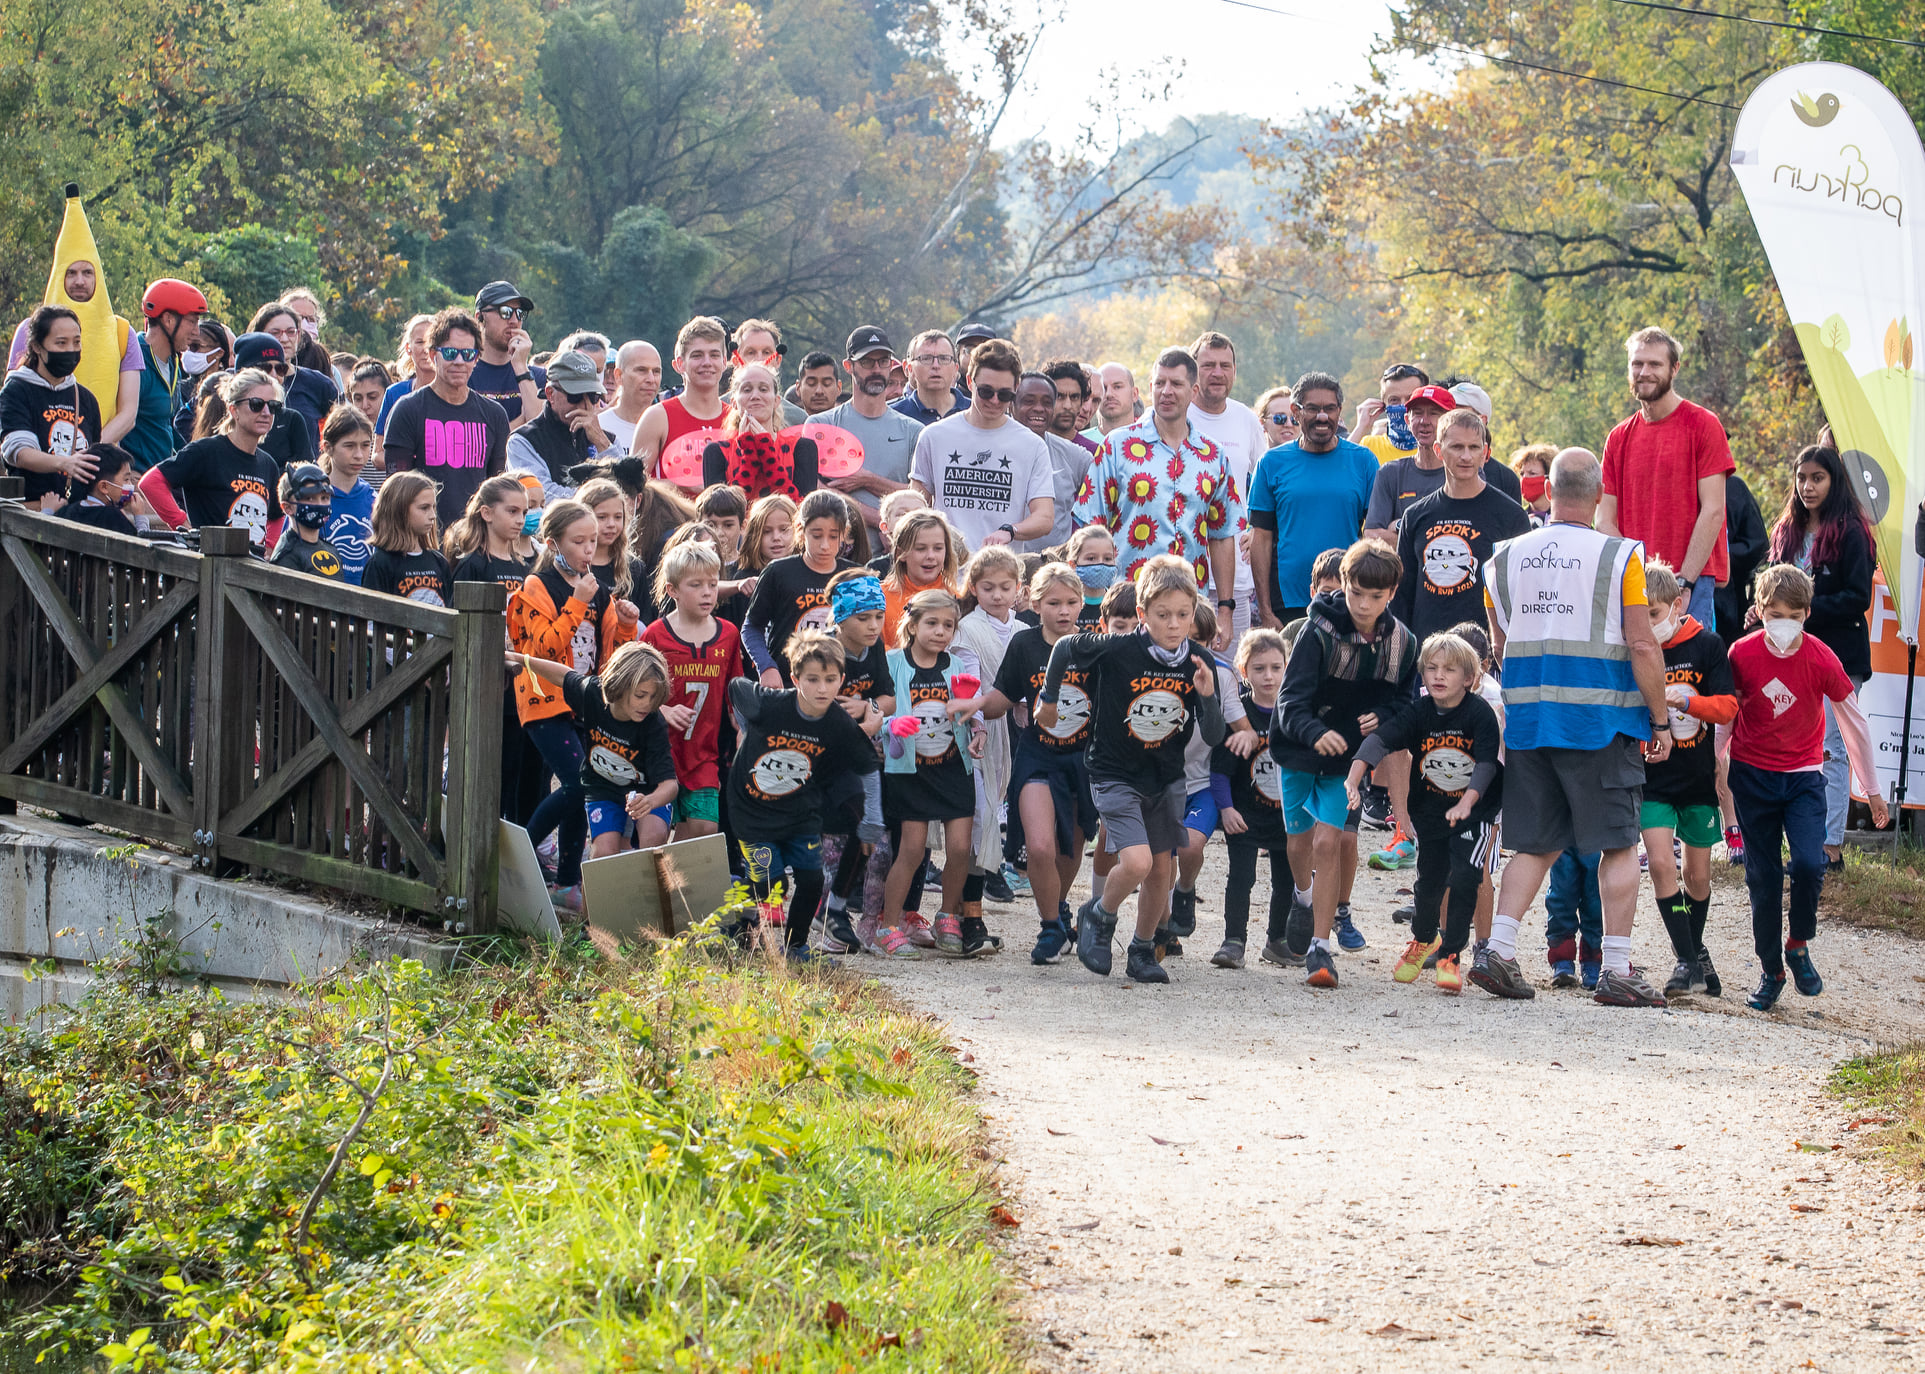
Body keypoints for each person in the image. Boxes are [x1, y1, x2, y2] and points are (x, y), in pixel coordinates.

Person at [1478, 447, 1672, 1007]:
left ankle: (1499, 952)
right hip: (1600, 723)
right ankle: (1615, 968)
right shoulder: (1620, 557)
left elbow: (1499, 643)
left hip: (1531, 720)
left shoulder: (1505, 557)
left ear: (1548, 490)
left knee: (1536, 843)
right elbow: (1641, 643)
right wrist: (1659, 720)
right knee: (1617, 844)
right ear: (1598, 493)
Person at [1039, 555, 1225, 984]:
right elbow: (1066, 646)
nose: (1174, 625)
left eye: (1183, 614)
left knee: (1163, 869)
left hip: (1164, 777)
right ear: (1142, 614)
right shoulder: (1120, 646)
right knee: (1138, 862)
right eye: (1163, 615)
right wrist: (1049, 699)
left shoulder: (1198, 661)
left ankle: (1143, 949)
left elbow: (1213, 735)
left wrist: (1209, 696)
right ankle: (1098, 915)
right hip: (1113, 772)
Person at [1727, 564, 1888, 1009]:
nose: (1783, 623)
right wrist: (1714, 772)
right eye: (1774, 613)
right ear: (1759, 610)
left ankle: (1797, 944)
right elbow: (1727, 715)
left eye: (1792, 615)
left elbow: (1852, 722)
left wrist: (1871, 788)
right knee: (1762, 877)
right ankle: (1770, 970)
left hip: (1802, 778)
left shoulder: (1820, 657)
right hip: (1752, 775)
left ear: (1807, 614)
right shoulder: (1740, 654)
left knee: (1809, 864)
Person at [1270, 539, 1417, 989]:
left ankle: (1320, 947)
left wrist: (1385, 717)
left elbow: (1405, 704)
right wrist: (1316, 731)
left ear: (1392, 592)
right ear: (1345, 585)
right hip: (1297, 749)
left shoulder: (1402, 643)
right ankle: (1303, 895)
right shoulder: (1315, 633)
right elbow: (1290, 701)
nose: (1364, 605)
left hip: (1348, 760)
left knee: (1328, 842)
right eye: (1356, 593)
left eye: (1376, 596)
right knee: (1299, 844)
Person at [1345, 631, 1501, 994]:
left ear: (1469, 678)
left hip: (1473, 814)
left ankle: (1451, 956)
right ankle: (1423, 939)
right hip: (1431, 812)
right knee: (1429, 883)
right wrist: (1355, 776)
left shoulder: (1480, 714)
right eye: (1431, 668)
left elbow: (1487, 766)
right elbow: (1381, 740)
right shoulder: (1419, 712)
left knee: (1464, 877)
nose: (1438, 676)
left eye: (1449, 669)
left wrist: (1468, 802)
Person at [507, 498, 641, 907]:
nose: (588, 550)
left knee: (582, 789)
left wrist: (628, 623)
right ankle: (519, 858)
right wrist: (578, 602)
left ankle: (566, 883)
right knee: (582, 782)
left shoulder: (597, 589)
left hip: (585, 701)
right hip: (544, 702)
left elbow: (610, 657)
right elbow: (542, 648)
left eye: (592, 541)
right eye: (578, 541)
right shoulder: (534, 588)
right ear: (552, 543)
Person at [727, 631, 882, 959]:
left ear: (842, 680)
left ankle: (795, 946)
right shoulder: (771, 704)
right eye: (812, 679)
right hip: (752, 809)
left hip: (800, 812)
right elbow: (736, 687)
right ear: (795, 678)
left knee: (811, 880)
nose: (822, 689)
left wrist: (873, 817)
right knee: (770, 880)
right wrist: (746, 722)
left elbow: (868, 764)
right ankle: (739, 921)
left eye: (829, 680)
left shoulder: (839, 723)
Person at [1759, 444, 1876, 870]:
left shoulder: (1850, 530)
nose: (1807, 486)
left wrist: (1803, 612)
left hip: (1837, 653)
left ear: (1834, 482)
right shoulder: (1787, 528)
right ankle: (1798, 840)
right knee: (1792, 743)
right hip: (1786, 653)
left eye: (1817, 478)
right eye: (1802, 477)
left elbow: (1858, 596)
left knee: (1831, 748)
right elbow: (1770, 578)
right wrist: (1766, 609)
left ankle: (1830, 847)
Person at [1070, 348, 1240, 635]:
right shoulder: (1117, 446)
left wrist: (1225, 608)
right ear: (1149, 388)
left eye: (1176, 384)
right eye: (1160, 383)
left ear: (1194, 391)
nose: (1166, 391)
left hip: (1189, 607)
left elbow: (1222, 535)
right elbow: (1090, 528)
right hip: (1126, 603)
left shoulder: (1212, 455)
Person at [973, 562, 1094, 962]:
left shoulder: (1094, 646)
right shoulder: (1024, 646)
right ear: (1034, 603)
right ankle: (1049, 927)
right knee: (1040, 847)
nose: (1063, 611)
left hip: (1082, 762)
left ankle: (1059, 909)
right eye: (1053, 602)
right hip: (1037, 755)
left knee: (1069, 850)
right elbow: (1001, 698)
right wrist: (970, 709)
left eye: (1072, 602)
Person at [1628, 560, 1737, 997]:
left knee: (1697, 876)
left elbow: (1728, 707)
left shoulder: (1708, 646)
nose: (1647, 624)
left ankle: (1695, 956)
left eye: (1653, 614)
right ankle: (1686, 960)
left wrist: (1687, 704)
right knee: (1659, 865)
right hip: (1653, 780)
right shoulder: (1634, 649)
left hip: (1697, 781)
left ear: (1676, 605)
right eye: (1640, 615)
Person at [871, 589, 987, 958]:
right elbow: (876, 713)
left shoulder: (956, 666)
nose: (941, 632)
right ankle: (888, 925)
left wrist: (978, 727)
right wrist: (891, 722)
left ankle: (948, 916)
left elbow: (975, 708)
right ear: (913, 624)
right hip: (910, 771)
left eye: (949, 625)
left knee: (958, 849)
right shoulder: (892, 663)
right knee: (912, 849)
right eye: (932, 623)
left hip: (954, 768)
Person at [1600, 326, 1735, 629]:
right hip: (1634, 584)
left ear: (1675, 369)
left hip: (1690, 582)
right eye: (1637, 364)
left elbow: (1713, 511)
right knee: (1633, 675)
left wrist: (1682, 583)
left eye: (1654, 364)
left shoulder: (1703, 425)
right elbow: (1604, 520)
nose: (1644, 372)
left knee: (1685, 675)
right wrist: (1639, 574)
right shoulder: (1618, 437)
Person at [516, 639, 678, 861]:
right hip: (603, 788)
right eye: (641, 695)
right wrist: (521, 659)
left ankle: (646, 892)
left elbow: (670, 785)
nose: (647, 705)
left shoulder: (653, 721)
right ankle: (594, 893)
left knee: (653, 840)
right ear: (619, 686)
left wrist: (650, 801)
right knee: (603, 854)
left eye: (653, 697)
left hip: (647, 791)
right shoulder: (593, 694)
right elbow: (563, 676)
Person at [1248, 372, 1377, 629]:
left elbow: (1373, 536)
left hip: (1349, 597)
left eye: (1330, 409)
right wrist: (1265, 609)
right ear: (1296, 411)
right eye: (1313, 409)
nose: (1322, 416)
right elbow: (1259, 538)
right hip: (1287, 602)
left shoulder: (1363, 461)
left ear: (1339, 411)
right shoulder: (1271, 464)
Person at [810, 570, 893, 955]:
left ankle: (864, 923)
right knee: (833, 846)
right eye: (863, 618)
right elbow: (811, 710)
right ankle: (829, 921)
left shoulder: (873, 647)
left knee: (877, 844)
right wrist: (861, 727)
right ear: (840, 618)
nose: (874, 626)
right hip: (826, 765)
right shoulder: (822, 651)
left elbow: (888, 700)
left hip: (863, 760)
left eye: (878, 615)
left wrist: (867, 708)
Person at [908, 339, 1053, 553]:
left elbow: (1045, 517)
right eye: (986, 391)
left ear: (1016, 388)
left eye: (1004, 395)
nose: (994, 401)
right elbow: (916, 507)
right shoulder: (934, 436)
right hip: (944, 571)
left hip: (999, 575)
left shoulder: (1031, 445)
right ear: (969, 381)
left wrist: (1010, 530)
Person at [641, 540, 743, 842]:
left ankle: (682, 886)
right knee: (653, 836)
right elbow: (633, 691)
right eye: (696, 585)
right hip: (659, 753)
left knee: (703, 830)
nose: (707, 592)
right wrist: (664, 709)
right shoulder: (655, 635)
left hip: (703, 754)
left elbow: (734, 691)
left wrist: (742, 726)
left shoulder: (728, 633)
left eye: (713, 584)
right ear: (672, 590)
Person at [1169, 601, 1251, 954]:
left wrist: (1247, 736)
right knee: (1158, 861)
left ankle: (1185, 889)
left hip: (1201, 781)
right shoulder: (1156, 670)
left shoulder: (1221, 675)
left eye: (1199, 642)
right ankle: (1162, 933)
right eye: (1184, 643)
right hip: (1161, 781)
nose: (1192, 653)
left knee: (1190, 847)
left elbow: (1242, 725)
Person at [1207, 629, 1292, 968]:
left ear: (1287, 667)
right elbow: (1220, 770)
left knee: (1286, 878)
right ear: (1243, 671)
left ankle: (1277, 939)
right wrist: (1225, 809)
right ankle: (1234, 941)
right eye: (1259, 669)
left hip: (1287, 817)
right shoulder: (1237, 714)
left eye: (1275, 667)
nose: (1268, 676)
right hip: (1244, 813)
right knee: (1241, 877)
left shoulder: (1294, 712)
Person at [381, 308, 511, 530]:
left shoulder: (494, 414)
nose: (459, 361)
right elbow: (397, 491)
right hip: (422, 539)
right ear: (433, 355)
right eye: (450, 353)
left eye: (468, 354)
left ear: (476, 359)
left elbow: (498, 490)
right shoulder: (408, 409)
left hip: (475, 540)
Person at [953, 545, 1027, 929]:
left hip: (1018, 730)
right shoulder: (967, 630)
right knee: (981, 819)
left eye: (1004, 586)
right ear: (974, 589)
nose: (996, 595)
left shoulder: (1023, 630)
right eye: (987, 587)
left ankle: (994, 878)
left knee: (1002, 811)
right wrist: (979, 722)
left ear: (1018, 587)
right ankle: (970, 910)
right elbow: (967, 683)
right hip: (978, 729)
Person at [1182, 331, 1267, 649]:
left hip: (1235, 574)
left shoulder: (1245, 419)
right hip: (1185, 567)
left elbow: (1265, 483)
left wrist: (1258, 527)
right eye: (1208, 365)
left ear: (1235, 370)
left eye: (1225, 365)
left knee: (1231, 668)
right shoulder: (1180, 415)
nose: (1217, 373)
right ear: (1193, 371)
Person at [138, 368, 284, 553]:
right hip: (210, 565)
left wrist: (269, 547)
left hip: (252, 570)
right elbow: (151, 482)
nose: (266, 412)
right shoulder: (206, 451)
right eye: (256, 404)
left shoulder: (268, 464)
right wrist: (183, 525)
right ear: (234, 410)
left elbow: (276, 515)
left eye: (273, 406)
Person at [1363, 384, 1523, 544]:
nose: (1424, 421)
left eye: (1434, 414)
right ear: (1407, 420)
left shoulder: (1465, 470)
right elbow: (1371, 535)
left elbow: (1473, 533)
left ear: (1450, 420)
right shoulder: (1390, 473)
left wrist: (1402, 528)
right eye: (1417, 413)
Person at [813, 326, 922, 531]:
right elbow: (816, 491)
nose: (876, 369)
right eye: (867, 362)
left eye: (883, 362)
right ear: (848, 366)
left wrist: (866, 479)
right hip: (839, 554)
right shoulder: (821, 425)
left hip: (896, 554)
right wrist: (880, 522)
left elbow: (920, 495)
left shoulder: (914, 431)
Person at [743, 488, 854, 686]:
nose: (825, 545)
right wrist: (766, 666)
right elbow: (752, 626)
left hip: (841, 687)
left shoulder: (854, 576)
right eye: (817, 536)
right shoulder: (778, 572)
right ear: (800, 531)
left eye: (833, 536)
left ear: (844, 533)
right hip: (788, 686)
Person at [1, 303, 102, 509]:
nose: (71, 351)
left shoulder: (86, 398)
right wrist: (64, 463)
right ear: (37, 347)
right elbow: (19, 453)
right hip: (32, 511)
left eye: (76, 342)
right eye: (61, 343)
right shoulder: (17, 391)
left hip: (77, 512)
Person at [504, 349, 615, 502]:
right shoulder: (523, 441)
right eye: (574, 396)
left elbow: (629, 488)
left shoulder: (607, 439)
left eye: (592, 396)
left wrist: (603, 444)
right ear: (550, 394)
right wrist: (600, 499)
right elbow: (541, 495)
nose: (585, 404)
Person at [121, 279, 208, 472]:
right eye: (192, 322)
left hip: (160, 475)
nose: (197, 331)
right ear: (168, 320)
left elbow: (166, 426)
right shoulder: (135, 360)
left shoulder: (172, 362)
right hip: (136, 479)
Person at [699, 362, 818, 502]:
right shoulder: (716, 452)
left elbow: (801, 509)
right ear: (734, 402)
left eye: (763, 389)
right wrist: (748, 454)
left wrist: (766, 449)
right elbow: (722, 513)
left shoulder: (802, 448)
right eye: (747, 390)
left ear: (776, 401)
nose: (755, 396)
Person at [633, 316, 730, 472]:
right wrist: (683, 484)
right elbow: (634, 485)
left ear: (724, 362)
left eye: (714, 355)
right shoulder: (657, 418)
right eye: (697, 355)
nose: (707, 362)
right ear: (679, 364)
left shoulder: (736, 419)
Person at [1012, 371, 1087, 552]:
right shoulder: (991, 448)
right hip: (1002, 569)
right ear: (1011, 404)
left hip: (1053, 572)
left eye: (1047, 403)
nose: (1039, 408)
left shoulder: (1074, 455)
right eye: (1029, 401)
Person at [247, 303, 340, 436]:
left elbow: (341, 432)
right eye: (275, 333)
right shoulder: (245, 383)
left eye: (291, 332)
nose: (284, 339)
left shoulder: (319, 384)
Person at [360, 472, 451, 604]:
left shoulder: (439, 562)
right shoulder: (381, 563)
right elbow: (370, 617)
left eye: (433, 507)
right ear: (398, 510)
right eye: (424, 508)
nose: (432, 515)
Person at [314, 404, 378, 583]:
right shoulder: (311, 498)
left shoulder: (376, 501)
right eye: (349, 446)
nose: (359, 455)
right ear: (328, 447)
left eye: (365, 446)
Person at [468, 281, 543, 428]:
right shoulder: (463, 373)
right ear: (480, 318)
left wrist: (521, 366)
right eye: (505, 312)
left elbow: (540, 427)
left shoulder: (537, 377)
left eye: (520, 314)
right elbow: (477, 442)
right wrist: (522, 420)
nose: (514, 321)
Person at [880, 508, 961, 645]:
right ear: (901, 552)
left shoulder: (957, 599)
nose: (930, 556)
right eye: (921, 548)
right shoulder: (880, 598)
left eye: (938, 548)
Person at [267, 463, 344, 577]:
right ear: (287, 508)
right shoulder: (287, 555)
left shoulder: (331, 549)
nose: (319, 504)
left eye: (324, 498)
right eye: (309, 498)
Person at [54, 442, 148, 536]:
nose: (130, 485)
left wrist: (47, 512)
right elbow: (139, 547)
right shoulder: (112, 517)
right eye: (126, 479)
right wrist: (140, 517)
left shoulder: (65, 511)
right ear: (103, 487)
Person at [728, 318, 805, 425]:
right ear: (736, 360)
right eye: (751, 353)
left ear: (778, 360)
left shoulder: (798, 419)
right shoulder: (717, 412)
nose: (759, 360)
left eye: (766, 352)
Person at [1348, 362, 1429, 464]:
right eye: (1394, 400)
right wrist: (1361, 428)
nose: (1404, 406)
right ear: (1384, 405)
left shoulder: (1439, 447)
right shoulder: (1369, 447)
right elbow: (1338, 471)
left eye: (1411, 398)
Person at [891, 329, 968, 426]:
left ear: (955, 368)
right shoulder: (894, 417)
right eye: (926, 358)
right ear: (910, 369)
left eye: (944, 358)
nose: (936, 365)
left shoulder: (975, 412)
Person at [375, 314, 436, 436]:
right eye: (420, 342)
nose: (426, 349)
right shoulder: (394, 393)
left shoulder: (457, 393)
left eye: (432, 342)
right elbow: (378, 452)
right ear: (409, 348)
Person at [601, 340, 662, 455]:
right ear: (618, 376)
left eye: (656, 372)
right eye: (641, 370)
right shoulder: (600, 427)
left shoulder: (668, 426)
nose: (651, 379)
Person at [1042, 358, 1099, 456]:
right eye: (1059, 396)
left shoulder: (1094, 452)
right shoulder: (1033, 446)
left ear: (1082, 401)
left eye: (1074, 397)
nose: (1067, 406)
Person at [1066, 524, 1118, 627]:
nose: (1100, 565)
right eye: (1091, 558)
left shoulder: (1117, 604)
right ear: (1073, 564)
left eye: (1107, 559)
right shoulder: (1066, 605)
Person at [276, 287, 334, 374]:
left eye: (311, 319)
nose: (304, 323)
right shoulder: (271, 367)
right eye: (299, 317)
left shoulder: (328, 369)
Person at [1510, 443, 1555, 524]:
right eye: (1522, 474)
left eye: (1532, 473)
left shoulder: (1563, 518)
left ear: (1549, 477)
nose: (1524, 478)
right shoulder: (1516, 519)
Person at [794, 350, 841, 415]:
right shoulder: (783, 424)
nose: (819, 391)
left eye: (827, 383)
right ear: (798, 388)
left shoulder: (850, 424)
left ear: (839, 387)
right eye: (811, 383)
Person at [1253, 385, 1299, 449]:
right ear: (1262, 423)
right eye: (1280, 418)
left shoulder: (1315, 457)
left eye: (1295, 419)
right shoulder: (1254, 458)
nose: (1289, 424)